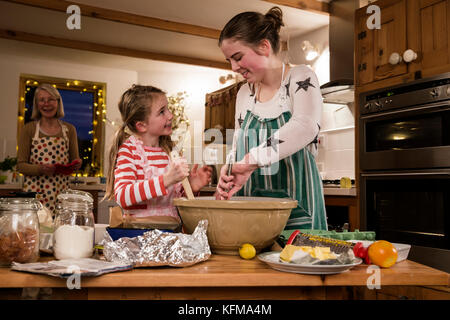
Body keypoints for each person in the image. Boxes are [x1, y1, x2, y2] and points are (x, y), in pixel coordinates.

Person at [216, 7, 327, 230]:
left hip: (297, 210)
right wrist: (228, 169)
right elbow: (239, 139)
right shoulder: (244, 93)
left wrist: (251, 160)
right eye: (229, 60)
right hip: (250, 207)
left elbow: (305, 126)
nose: (234, 67)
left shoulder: (300, 77)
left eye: (237, 57)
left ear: (264, 46)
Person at [104, 85, 211, 224]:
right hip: (141, 233)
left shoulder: (170, 152)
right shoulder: (130, 151)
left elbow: (174, 200)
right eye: (162, 112)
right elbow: (123, 196)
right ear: (141, 125)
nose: (170, 115)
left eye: (167, 109)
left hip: (171, 231)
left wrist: (191, 186)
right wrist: (166, 179)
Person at [17, 84, 81, 215]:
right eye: (42, 100)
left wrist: (76, 164)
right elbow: (20, 166)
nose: (46, 104)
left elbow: (74, 161)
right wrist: (40, 169)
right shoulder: (29, 129)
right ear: (37, 104)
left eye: (51, 99)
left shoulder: (69, 130)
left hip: (61, 195)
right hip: (35, 195)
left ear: (58, 102)